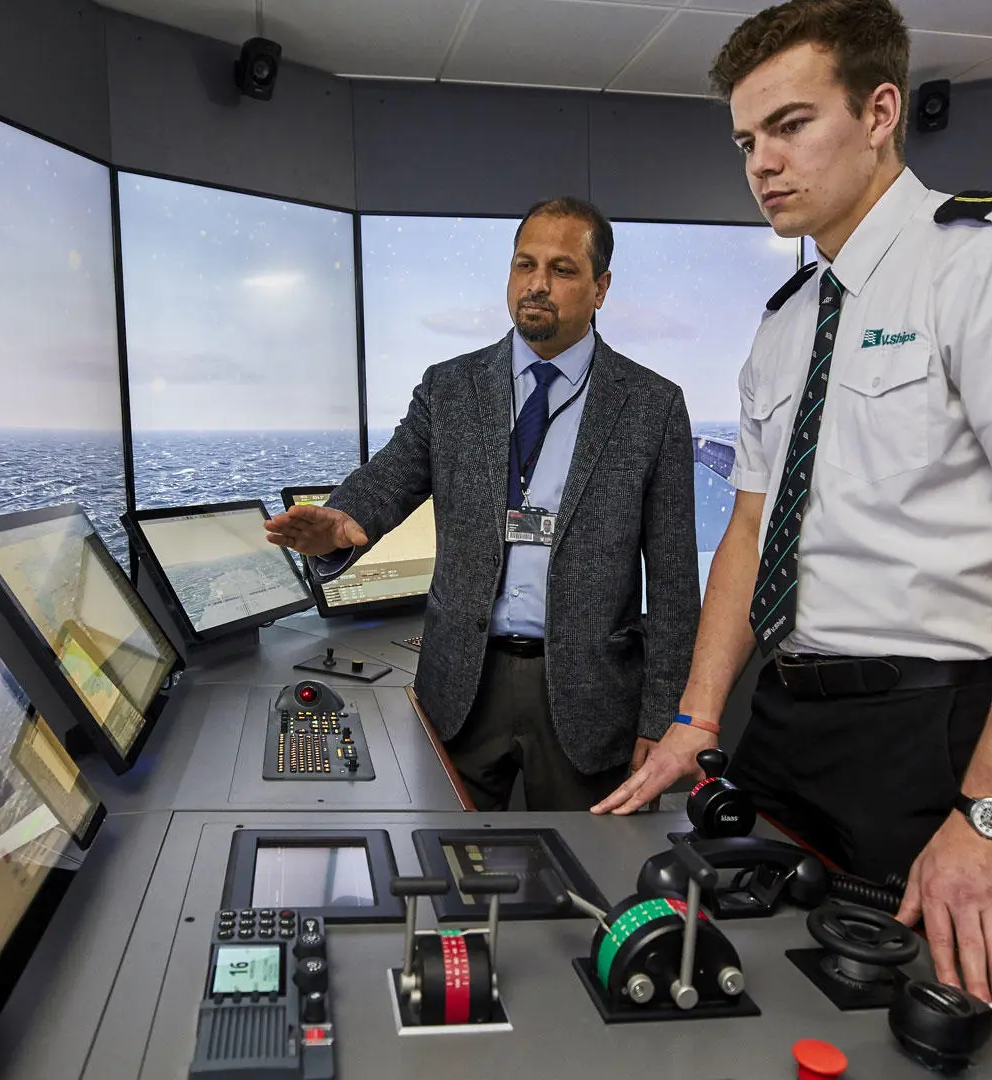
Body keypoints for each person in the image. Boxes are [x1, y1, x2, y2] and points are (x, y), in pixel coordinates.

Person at [594, 0, 992, 1004]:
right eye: (746, 139)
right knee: (739, 992)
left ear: (881, 109)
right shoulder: (787, 322)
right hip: (785, 719)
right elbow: (753, 530)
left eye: (791, 125)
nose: (761, 161)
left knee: (900, 1017)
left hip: (927, 730)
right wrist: (694, 717)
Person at [265, 198, 699, 812]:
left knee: (596, 883)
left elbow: (677, 586)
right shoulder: (450, 387)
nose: (537, 285)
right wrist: (341, 524)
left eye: (562, 269)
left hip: (591, 697)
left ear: (601, 288)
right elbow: (389, 477)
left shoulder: (652, 406)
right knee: (447, 873)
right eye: (525, 266)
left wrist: (663, 719)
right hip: (462, 687)